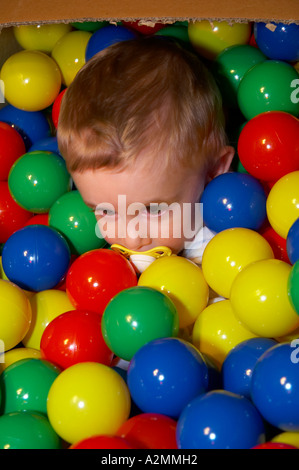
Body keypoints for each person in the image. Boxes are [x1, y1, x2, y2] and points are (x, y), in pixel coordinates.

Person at [57, 36, 234, 267]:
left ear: (214, 168)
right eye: (105, 212)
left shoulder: (220, 257)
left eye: (153, 209)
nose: (132, 238)